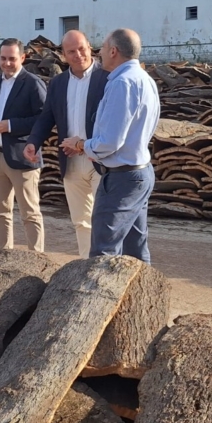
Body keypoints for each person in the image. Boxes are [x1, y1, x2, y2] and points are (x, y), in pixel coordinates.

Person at [61, 28, 160, 263]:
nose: (100, 52)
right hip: (139, 173)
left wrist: (81, 144)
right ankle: (141, 298)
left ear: (114, 51)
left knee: (103, 253)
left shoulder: (122, 83)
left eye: (103, 48)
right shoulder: (145, 79)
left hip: (121, 180)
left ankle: (99, 299)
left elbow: (110, 142)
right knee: (135, 252)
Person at [24, 30, 108, 258]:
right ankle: (85, 265)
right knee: (81, 220)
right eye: (71, 51)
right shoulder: (58, 83)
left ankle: (104, 267)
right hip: (71, 161)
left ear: (90, 46)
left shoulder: (107, 77)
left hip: (100, 159)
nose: (78, 54)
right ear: (63, 54)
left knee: (104, 219)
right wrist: (34, 142)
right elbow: (46, 117)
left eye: (81, 48)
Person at [0, 38, 47, 252]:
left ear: (23, 58)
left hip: (23, 157)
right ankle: (1, 256)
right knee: (0, 213)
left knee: (29, 213)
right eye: (3, 58)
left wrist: (9, 125)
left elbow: (43, 119)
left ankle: (36, 260)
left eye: (12, 59)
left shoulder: (33, 83)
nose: (7, 63)